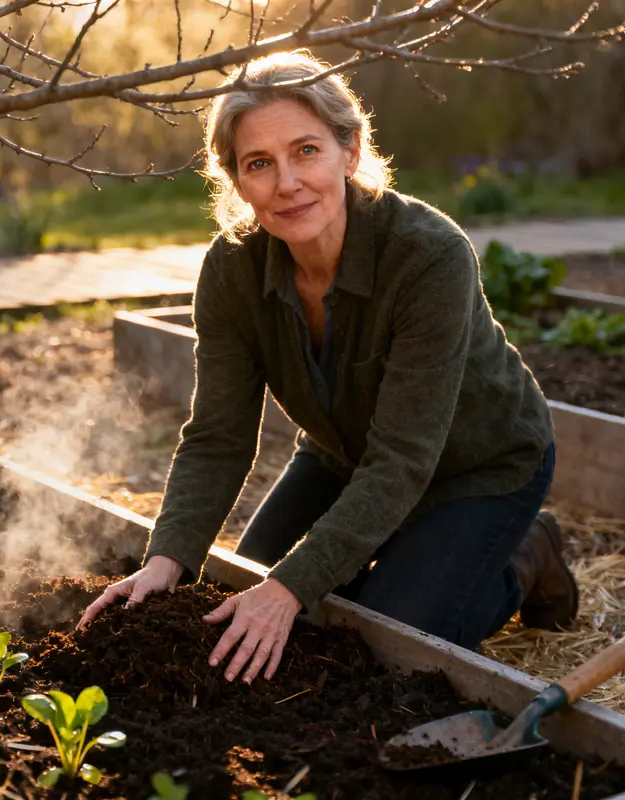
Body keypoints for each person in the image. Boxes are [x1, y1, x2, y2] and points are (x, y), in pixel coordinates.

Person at [77, 50, 579, 685]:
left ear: (351, 148)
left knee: (387, 639)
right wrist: (167, 559)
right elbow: (218, 436)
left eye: (306, 150)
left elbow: (403, 460)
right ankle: (401, 552)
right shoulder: (232, 270)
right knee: (247, 591)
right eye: (259, 164)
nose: (287, 182)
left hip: (479, 464)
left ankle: (528, 554)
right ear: (235, 179)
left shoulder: (428, 256)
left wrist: (293, 587)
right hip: (343, 455)